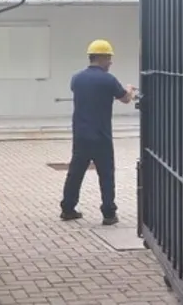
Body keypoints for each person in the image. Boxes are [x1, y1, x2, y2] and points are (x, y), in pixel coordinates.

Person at [60, 39, 136, 226]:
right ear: (102, 57)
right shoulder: (108, 79)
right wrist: (130, 89)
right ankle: (109, 213)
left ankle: (68, 208)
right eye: (109, 57)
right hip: (101, 136)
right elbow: (125, 99)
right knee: (106, 174)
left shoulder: (76, 78)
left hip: (81, 135)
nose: (110, 62)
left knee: (75, 173)